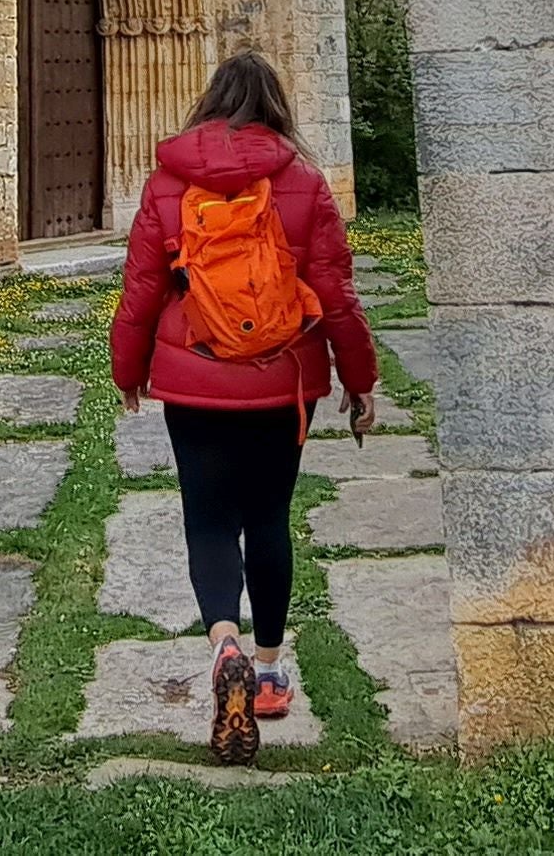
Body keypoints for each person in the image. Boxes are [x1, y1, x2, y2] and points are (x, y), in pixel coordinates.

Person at [107, 50, 380, 764]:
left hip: (194, 380)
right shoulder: (305, 182)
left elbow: (140, 293)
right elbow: (338, 295)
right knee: (268, 519)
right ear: (276, 105)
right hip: (281, 382)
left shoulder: (167, 184)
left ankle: (221, 640)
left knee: (208, 518)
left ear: (210, 102)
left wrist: (127, 371)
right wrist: (360, 379)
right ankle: (264, 671)